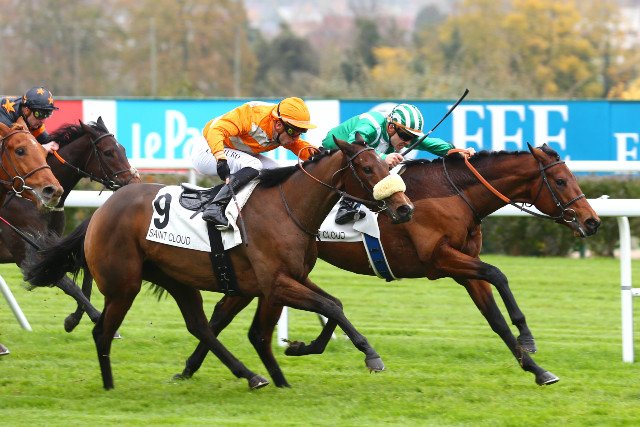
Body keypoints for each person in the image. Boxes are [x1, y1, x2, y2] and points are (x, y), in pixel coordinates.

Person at [322, 103, 475, 224]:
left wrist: (456, 151)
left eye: (411, 138)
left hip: (360, 158)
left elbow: (430, 143)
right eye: (405, 136)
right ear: (391, 127)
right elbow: (353, 147)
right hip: (333, 152)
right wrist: (383, 158)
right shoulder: (371, 126)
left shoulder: (402, 131)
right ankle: (346, 206)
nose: (407, 142)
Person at [190, 97, 318, 229]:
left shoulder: (282, 128)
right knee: (254, 164)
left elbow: (298, 146)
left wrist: (318, 155)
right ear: (278, 125)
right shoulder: (252, 116)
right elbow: (215, 130)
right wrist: (220, 159)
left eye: (301, 133)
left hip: (234, 150)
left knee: (277, 172)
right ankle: (215, 207)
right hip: (207, 150)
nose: (296, 138)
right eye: (293, 132)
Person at [0, 86, 60, 153]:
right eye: (40, 114)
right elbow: (16, 150)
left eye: (48, 114)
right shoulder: (5, 120)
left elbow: (47, 141)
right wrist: (42, 148)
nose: (43, 121)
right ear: (27, 110)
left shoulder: (33, 118)